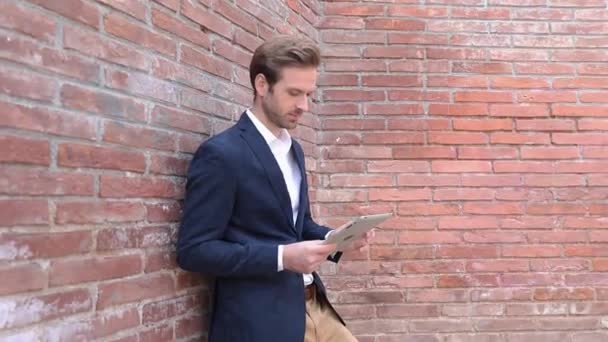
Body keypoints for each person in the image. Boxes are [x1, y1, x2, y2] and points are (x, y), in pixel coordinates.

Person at [177, 35, 373, 342]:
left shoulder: (293, 150)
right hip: (261, 320)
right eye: (294, 93)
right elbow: (194, 251)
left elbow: (298, 226)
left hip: (313, 304)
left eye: (309, 94)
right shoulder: (221, 154)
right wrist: (282, 257)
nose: (304, 106)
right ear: (261, 85)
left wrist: (335, 240)